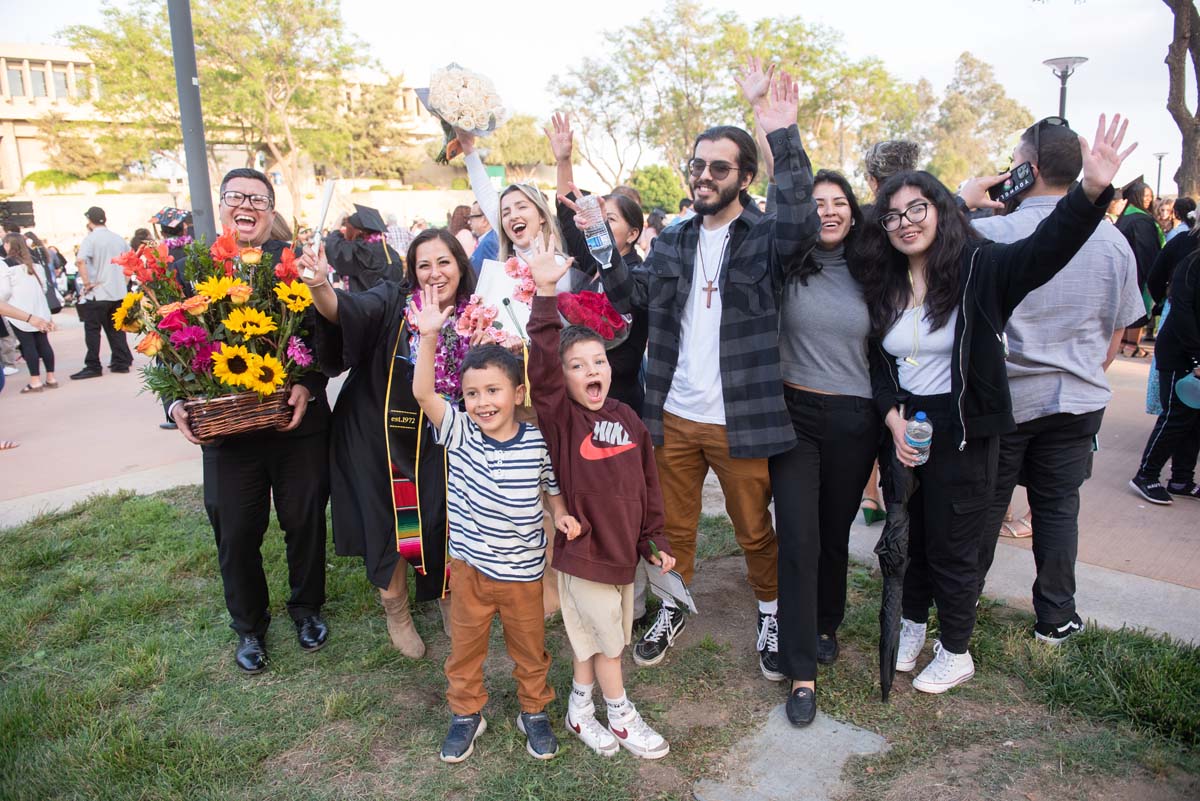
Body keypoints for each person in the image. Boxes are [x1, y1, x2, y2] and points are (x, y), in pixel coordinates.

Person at [860, 113, 1133, 694]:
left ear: (941, 211)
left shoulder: (981, 268)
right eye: (893, 215)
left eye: (918, 209)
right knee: (912, 535)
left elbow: (1046, 249)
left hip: (965, 430)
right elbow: (880, 365)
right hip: (906, 429)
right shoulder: (884, 283)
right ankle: (912, 623)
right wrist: (891, 418)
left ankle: (956, 648)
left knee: (956, 544)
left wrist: (1090, 190)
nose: (906, 223)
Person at [593, 63, 817, 680]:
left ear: (744, 176)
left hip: (740, 417)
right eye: (698, 165)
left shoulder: (766, 236)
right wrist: (600, 243)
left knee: (754, 530)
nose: (705, 176)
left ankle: (771, 613)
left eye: (720, 168)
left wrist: (781, 134)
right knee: (671, 527)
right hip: (673, 415)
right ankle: (673, 606)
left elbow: (802, 223)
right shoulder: (673, 240)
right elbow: (629, 297)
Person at [968, 118, 1143, 645]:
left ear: (1029, 168)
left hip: (1006, 400)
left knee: (986, 506)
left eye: (1014, 162)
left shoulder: (992, 232)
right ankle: (1057, 615)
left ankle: (961, 599)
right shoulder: (1113, 242)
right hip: (1078, 398)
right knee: (1058, 508)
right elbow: (1117, 335)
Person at [168, 168, 332, 674]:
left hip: (294, 425)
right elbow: (169, 346)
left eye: (258, 199)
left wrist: (309, 384)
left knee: (304, 519)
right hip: (227, 433)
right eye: (236, 196)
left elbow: (324, 335)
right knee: (235, 529)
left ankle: (307, 608)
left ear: (271, 211)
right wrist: (174, 404)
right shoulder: (192, 271)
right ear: (221, 206)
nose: (247, 206)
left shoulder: (295, 265)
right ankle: (249, 626)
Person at [526, 249, 677, 759]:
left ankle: (579, 710)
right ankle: (621, 716)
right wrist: (546, 293)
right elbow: (542, 368)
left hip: (622, 556)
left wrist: (653, 540)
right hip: (584, 554)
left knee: (593, 639)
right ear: (562, 378)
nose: (591, 370)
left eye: (598, 361)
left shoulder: (629, 420)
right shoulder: (563, 419)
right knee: (612, 645)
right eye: (576, 366)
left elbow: (648, 486)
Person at [302, 228, 477, 659]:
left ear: (460, 265)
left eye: (444, 262)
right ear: (411, 272)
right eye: (423, 265)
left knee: (444, 517)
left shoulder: (476, 314)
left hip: (441, 440)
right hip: (376, 435)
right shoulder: (392, 303)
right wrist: (320, 284)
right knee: (391, 523)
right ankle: (396, 609)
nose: (435, 273)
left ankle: (446, 596)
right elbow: (344, 310)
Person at [410, 307, 568, 764]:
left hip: (523, 574)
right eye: (471, 393)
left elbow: (552, 490)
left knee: (530, 650)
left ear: (518, 393)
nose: (482, 402)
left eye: (493, 391)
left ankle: (533, 710)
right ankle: (466, 714)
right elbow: (423, 393)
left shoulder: (537, 442)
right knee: (465, 650)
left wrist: (561, 515)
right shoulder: (459, 432)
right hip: (471, 571)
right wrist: (429, 335)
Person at [767, 168, 876, 726]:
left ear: (854, 214)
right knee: (798, 538)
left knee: (834, 534)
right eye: (817, 203)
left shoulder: (876, 271)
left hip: (855, 419)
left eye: (839, 202)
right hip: (794, 418)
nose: (828, 211)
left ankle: (827, 622)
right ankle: (801, 670)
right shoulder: (787, 264)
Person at [544, 111, 650, 413]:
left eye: (608, 220)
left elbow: (627, 354)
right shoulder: (593, 261)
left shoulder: (639, 275)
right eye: (597, 219)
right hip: (580, 396)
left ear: (633, 233)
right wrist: (564, 160)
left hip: (619, 401)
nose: (599, 226)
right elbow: (567, 211)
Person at [859, 139, 922, 525]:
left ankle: (870, 496)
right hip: (911, 351)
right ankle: (899, 513)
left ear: (872, 180)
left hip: (865, 345)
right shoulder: (925, 221)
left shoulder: (862, 222)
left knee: (874, 424)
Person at [1132, 238, 1200, 504]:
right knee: (1176, 416)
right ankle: (1146, 474)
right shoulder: (1191, 263)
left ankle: (1182, 479)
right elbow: (1182, 312)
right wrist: (1197, 357)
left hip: (1190, 351)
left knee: (1195, 420)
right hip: (1180, 351)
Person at [72, 206, 133, 379]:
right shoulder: (118, 238)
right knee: (116, 328)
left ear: (89, 220)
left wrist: (86, 283)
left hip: (98, 292)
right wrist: (124, 282)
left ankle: (93, 365)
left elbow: (80, 261)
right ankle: (121, 361)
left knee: (92, 330)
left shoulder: (90, 239)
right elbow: (130, 260)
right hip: (117, 291)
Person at [0, 234, 57, 393]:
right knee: (44, 343)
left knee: (28, 344)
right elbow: (44, 287)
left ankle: (35, 381)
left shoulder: (5, 264)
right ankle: (51, 378)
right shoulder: (36, 262)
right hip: (39, 309)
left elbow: (4, 291)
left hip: (19, 311)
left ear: (8, 245)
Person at [1115, 179, 1163, 357]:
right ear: (1136, 196)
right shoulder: (1142, 220)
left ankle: (1122, 343)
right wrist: (1154, 274)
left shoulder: (1125, 217)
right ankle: (1131, 345)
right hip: (1139, 271)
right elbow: (1147, 250)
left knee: (1125, 304)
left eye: (1150, 196)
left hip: (1124, 270)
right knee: (1138, 305)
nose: (1148, 199)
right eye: (1145, 196)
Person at [324, 204, 404, 293]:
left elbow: (333, 249)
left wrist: (338, 222)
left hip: (367, 300)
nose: (345, 231)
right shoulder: (390, 251)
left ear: (357, 231)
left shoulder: (362, 251)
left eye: (347, 227)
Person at [467, 201, 498, 274]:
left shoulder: (489, 242)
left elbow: (494, 273)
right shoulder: (488, 239)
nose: (469, 222)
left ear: (485, 220)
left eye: (471, 217)